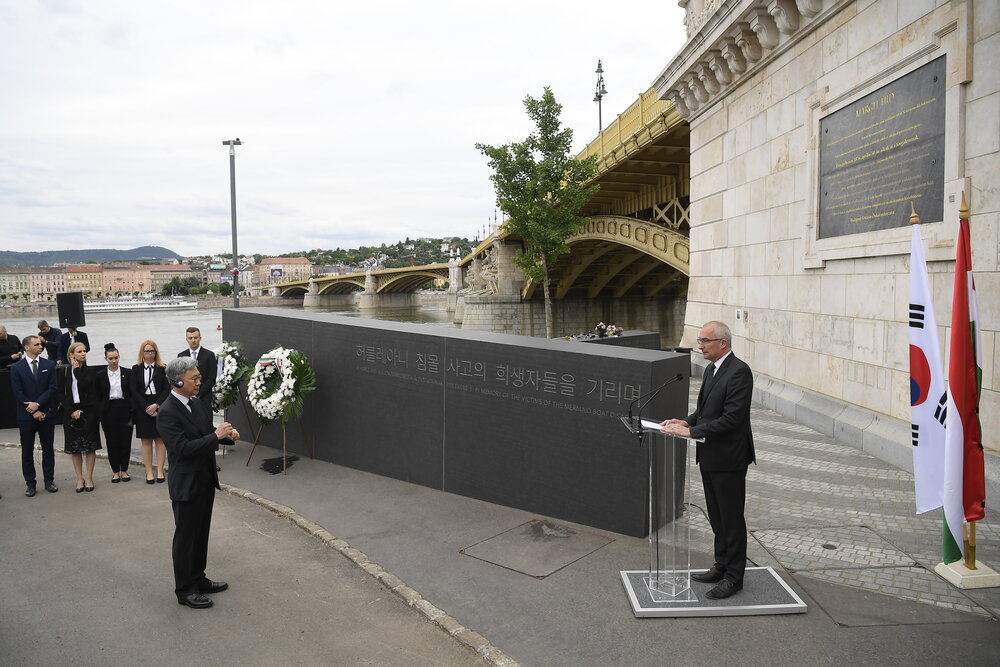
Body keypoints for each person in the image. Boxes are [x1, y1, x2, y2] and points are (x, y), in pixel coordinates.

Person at [660, 321, 755, 600]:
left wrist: (691, 431)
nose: (699, 345)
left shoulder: (739, 372)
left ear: (722, 343)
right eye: (700, 340)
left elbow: (731, 418)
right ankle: (721, 565)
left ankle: (734, 577)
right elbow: (706, 410)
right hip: (710, 455)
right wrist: (685, 421)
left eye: (704, 340)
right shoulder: (713, 369)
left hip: (729, 458)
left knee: (731, 519)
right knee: (717, 517)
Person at [157, 356, 238, 609]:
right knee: (186, 538)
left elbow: (206, 434)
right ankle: (185, 589)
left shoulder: (198, 404)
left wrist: (227, 436)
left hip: (205, 480)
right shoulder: (167, 412)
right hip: (186, 485)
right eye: (194, 378)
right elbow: (181, 449)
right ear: (178, 381)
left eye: (199, 377)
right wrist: (215, 436)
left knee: (201, 534)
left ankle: (198, 578)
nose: (199, 382)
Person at [10, 335, 59, 496]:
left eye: (40, 344)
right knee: (27, 451)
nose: (41, 346)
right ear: (26, 347)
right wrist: (32, 409)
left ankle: (49, 480)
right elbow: (17, 392)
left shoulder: (49, 364)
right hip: (26, 416)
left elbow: (52, 388)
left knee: (48, 450)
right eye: (36, 344)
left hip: (46, 414)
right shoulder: (16, 367)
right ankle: (30, 483)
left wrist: (38, 405)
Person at [62, 341, 102, 492]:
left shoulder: (90, 371)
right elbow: (60, 393)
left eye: (84, 351)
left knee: (90, 447)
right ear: (71, 355)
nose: (83, 353)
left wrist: (77, 370)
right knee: (75, 448)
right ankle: (79, 478)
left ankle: (89, 477)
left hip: (88, 413)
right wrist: (71, 410)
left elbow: (86, 385)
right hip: (71, 413)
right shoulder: (64, 372)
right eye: (79, 352)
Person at [130, 340, 170, 484]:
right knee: (146, 441)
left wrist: (157, 405)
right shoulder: (136, 369)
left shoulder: (163, 368)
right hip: (143, 407)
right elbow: (133, 390)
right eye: (147, 351)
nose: (149, 354)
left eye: (152, 351)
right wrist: (147, 407)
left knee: (160, 440)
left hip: (159, 405)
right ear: (142, 353)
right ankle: (148, 472)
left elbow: (167, 389)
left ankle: (160, 470)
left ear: (156, 352)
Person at [96, 343, 133, 483]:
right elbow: (97, 395)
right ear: (106, 359)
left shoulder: (127, 372)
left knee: (125, 440)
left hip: (124, 408)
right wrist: (101, 410)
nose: (114, 361)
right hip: (108, 409)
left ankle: (124, 469)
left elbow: (132, 392)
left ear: (119, 357)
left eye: (116, 358)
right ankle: (115, 471)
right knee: (112, 442)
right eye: (111, 358)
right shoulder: (100, 375)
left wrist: (132, 408)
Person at [177, 327, 217, 411]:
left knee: (206, 423)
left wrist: (198, 394)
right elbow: (180, 377)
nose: (193, 340)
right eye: (190, 338)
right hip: (186, 398)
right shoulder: (181, 356)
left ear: (200, 338)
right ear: (186, 339)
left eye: (195, 337)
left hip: (204, 398)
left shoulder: (209, 355)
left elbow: (212, 378)